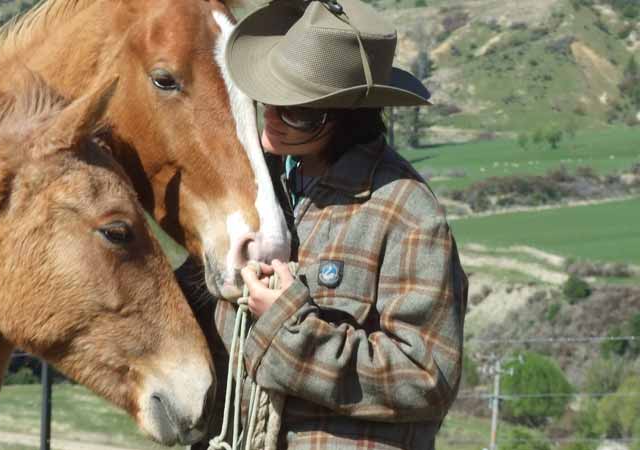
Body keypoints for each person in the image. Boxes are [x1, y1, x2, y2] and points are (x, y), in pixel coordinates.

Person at [197, 1, 470, 449]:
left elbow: (427, 379)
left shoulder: (408, 214)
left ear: (348, 117)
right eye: (269, 97)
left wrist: (289, 323)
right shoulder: (260, 191)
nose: (272, 119)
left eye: (299, 112)